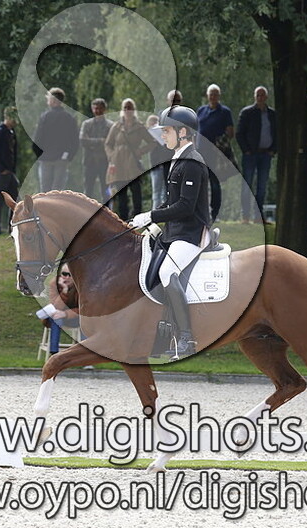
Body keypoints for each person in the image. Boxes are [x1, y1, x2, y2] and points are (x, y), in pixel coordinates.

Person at [131, 105, 209, 359]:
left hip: (191, 232)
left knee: (167, 272)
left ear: (182, 132)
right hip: (175, 231)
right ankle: (160, 332)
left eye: (166, 131)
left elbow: (185, 206)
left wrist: (152, 216)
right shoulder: (178, 159)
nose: (162, 135)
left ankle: (186, 338)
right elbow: (170, 202)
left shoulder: (193, 163)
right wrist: (151, 221)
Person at [104, 98, 157, 220]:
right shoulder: (116, 126)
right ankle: (123, 220)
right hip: (118, 163)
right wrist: (112, 155)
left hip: (133, 163)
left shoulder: (139, 127)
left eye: (130, 107)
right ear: (122, 110)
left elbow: (152, 142)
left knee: (136, 192)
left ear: (134, 110)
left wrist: (140, 151)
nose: (128, 110)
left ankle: (137, 218)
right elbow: (108, 144)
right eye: (125, 108)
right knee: (121, 194)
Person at [236, 86, 276, 223]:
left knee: (262, 187)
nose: (260, 98)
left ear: (266, 97)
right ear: (255, 97)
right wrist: (246, 150)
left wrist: (273, 150)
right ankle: (246, 216)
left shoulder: (272, 114)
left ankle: (258, 216)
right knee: (247, 185)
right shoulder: (247, 113)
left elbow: (277, 133)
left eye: (262, 95)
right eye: (258, 95)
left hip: (266, 154)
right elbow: (239, 133)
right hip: (250, 155)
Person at [196, 84, 234, 222]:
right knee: (200, 184)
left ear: (219, 96)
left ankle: (215, 213)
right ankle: (201, 212)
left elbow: (230, 133)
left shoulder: (225, 112)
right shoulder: (201, 110)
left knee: (215, 184)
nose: (213, 96)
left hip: (216, 153)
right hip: (201, 152)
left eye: (215, 94)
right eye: (211, 94)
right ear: (207, 95)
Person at [32, 87, 79, 192]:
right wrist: (69, 156)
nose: (47, 101)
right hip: (62, 158)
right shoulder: (69, 118)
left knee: (45, 190)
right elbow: (75, 141)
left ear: (53, 100)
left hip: (45, 158)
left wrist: (39, 154)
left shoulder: (44, 117)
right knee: (58, 190)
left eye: (48, 98)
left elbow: (37, 139)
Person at [0, 106, 20, 235]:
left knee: (14, 199)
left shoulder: (11, 132)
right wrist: (1, 170)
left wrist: (12, 169)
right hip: (0, 172)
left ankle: (11, 227)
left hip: (10, 172)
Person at [39, 264, 79, 355]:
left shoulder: (81, 285)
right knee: (56, 318)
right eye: (64, 274)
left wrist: (66, 314)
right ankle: (54, 353)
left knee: (87, 320)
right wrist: (64, 291)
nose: (67, 277)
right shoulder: (55, 283)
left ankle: (84, 355)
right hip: (57, 316)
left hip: (76, 317)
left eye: (70, 275)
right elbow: (55, 307)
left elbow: (84, 310)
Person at [79, 98, 113, 202]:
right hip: (90, 161)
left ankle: (107, 209)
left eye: (100, 108)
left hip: (105, 161)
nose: (97, 111)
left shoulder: (110, 125)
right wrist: (100, 141)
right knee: (88, 190)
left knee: (106, 190)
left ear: (104, 109)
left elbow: (111, 142)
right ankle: (86, 210)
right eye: (95, 108)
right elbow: (83, 140)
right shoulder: (86, 124)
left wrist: (92, 142)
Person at [146, 114, 168, 209]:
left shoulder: (164, 136)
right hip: (155, 166)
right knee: (156, 193)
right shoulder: (148, 138)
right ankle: (155, 212)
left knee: (165, 192)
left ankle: (165, 212)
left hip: (165, 165)